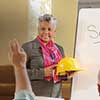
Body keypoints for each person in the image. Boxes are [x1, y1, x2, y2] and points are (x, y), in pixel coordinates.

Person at [22, 14, 75, 97]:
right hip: (35, 97)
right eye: (43, 29)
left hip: (57, 96)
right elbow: (19, 73)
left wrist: (67, 75)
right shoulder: (27, 47)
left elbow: (60, 73)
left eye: (49, 29)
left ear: (54, 31)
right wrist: (43, 72)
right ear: (38, 29)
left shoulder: (60, 49)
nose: (46, 32)